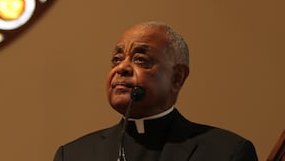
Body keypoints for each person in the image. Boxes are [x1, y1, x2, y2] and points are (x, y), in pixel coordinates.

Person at [53, 21, 258, 161]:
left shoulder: (225, 152)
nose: (121, 68)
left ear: (177, 77)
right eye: (116, 59)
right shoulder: (73, 155)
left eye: (141, 59)